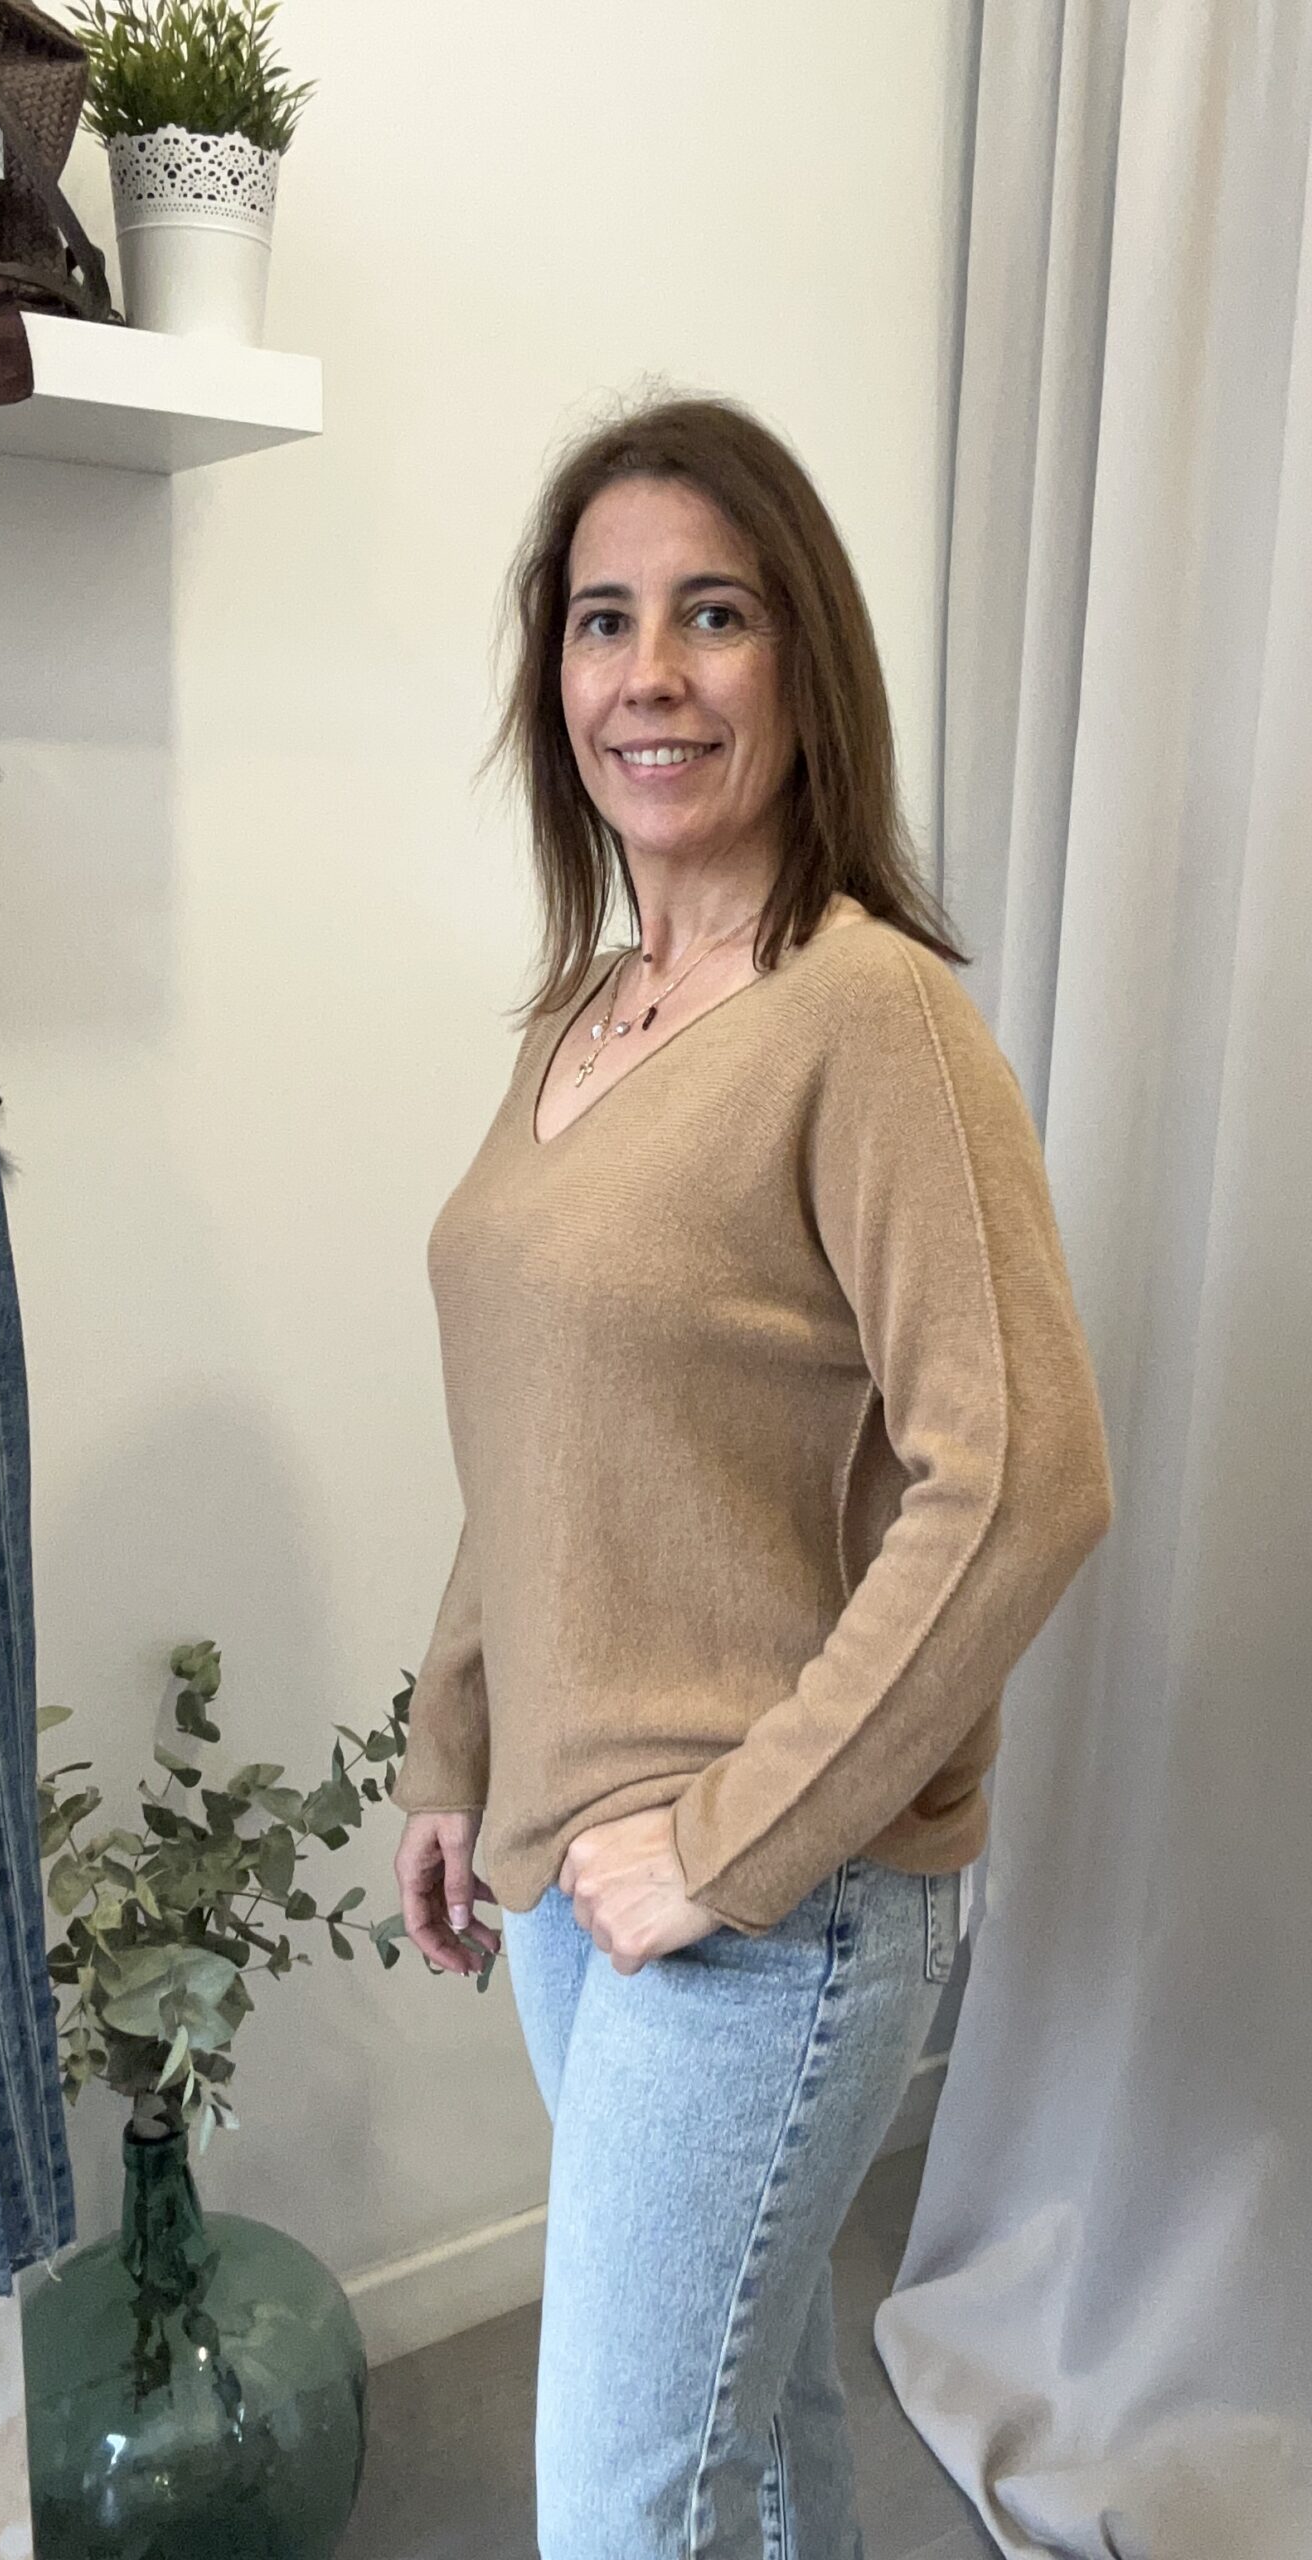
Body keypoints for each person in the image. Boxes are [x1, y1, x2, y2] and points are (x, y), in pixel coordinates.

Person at [389, 392, 1114, 2560]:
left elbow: (1026, 1475)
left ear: (807, 663)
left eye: (714, 614)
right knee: (761, 2432)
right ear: (555, 680)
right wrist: (454, 1746)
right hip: (580, 1887)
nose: (652, 674)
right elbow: (544, 1434)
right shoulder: (587, 1017)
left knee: (626, 2507)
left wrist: (731, 1843)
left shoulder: (869, 1016)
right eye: (603, 620)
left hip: (772, 1900)